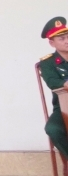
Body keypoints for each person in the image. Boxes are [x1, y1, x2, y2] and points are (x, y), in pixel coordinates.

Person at [39, 17, 68, 160]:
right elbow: (52, 82)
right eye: (62, 39)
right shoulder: (48, 62)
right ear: (52, 43)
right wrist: (65, 84)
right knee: (52, 129)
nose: (67, 41)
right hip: (63, 108)